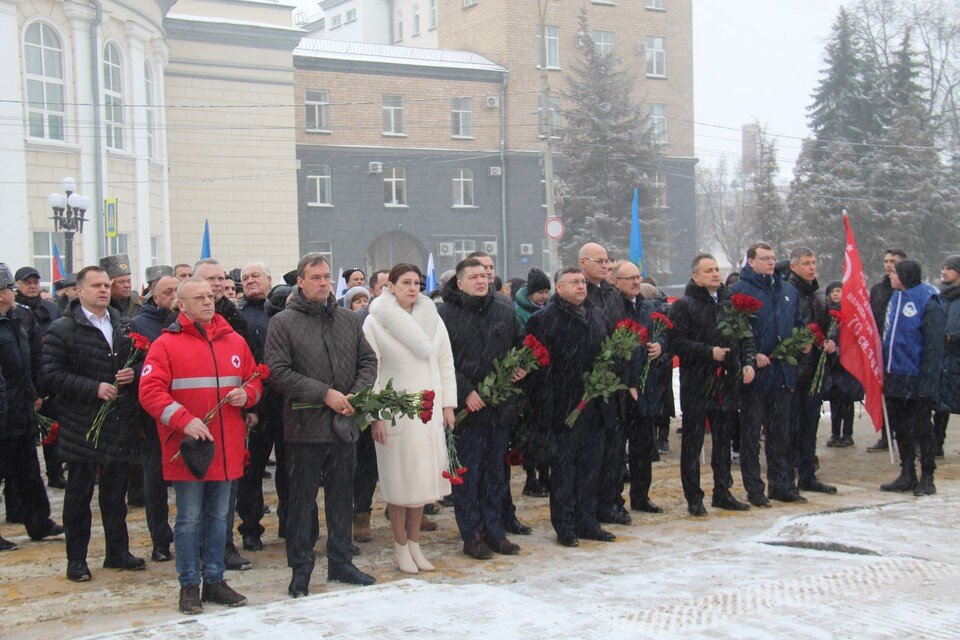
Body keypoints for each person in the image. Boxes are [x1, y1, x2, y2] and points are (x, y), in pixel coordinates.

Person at [139, 277, 262, 614]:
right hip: (190, 449)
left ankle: (215, 580)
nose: (208, 302)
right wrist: (183, 420)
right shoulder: (165, 345)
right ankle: (189, 584)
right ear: (181, 305)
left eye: (210, 296)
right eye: (199, 298)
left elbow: (254, 380)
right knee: (190, 519)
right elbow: (150, 392)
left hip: (226, 447)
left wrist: (247, 395)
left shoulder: (234, 340)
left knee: (219, 518)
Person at [266, 253, 378, 596]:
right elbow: (278, 372)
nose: (323, 282)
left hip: (344, 425)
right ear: (300, 282)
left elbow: (368, 360)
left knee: (342, 497)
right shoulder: (283, 322)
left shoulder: (346, 319)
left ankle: (341, 562)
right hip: (304, 427)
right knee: (301, 502)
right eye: (315, 277)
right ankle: (300, 568)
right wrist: (324, 394)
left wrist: (356, 394)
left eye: (327, 276)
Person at [41, 265, 145, 582]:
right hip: (81, 424)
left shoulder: (123, 324)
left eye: (106, 285)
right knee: (79, 497)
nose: (103, 290)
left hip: (117, 422)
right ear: (79, 290)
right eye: (96, 285)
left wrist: (133, 373)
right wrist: (93, 388)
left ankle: (117, 552)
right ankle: (77, 560)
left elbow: (143, 362)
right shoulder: (63, 329)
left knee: (115, 496)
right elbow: (51, 375)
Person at [364, 263, 457, 574]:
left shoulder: (432, 317)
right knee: (399, 482)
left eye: (417, 282)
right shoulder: (375, 321)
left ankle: (415, 544)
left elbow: (445, 362)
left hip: (428, 411)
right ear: (390, 286)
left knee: (423, 482)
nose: (412, 288)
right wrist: (376, 415)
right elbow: (372, 371)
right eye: (405, 282)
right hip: (396, 412)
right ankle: (400, 545)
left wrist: (447, 405)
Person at [439, 258, 526, 559]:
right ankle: (472, 535)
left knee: (495, 475)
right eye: (473, 277)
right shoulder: (444, 314)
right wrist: (465, 391)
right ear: (459, 282)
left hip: (498, 407)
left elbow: (519, 344)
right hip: (467, 410)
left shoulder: (504, 309)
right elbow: (441, 361)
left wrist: (521, 365)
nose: (481, 281)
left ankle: (495, 532)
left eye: (484, 276)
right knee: (469, 476)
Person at [526, 266, 614, 547]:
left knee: (591, 468)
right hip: (562, 406)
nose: (581, 286)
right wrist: (547, 406)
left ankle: (588, 521)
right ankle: (565, 525)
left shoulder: (597, 314)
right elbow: (538, 369)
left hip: (594, 404)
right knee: (564, 471)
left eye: (582, 282)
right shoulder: (543, 319)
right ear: (559, 288)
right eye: (574, 282)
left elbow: (609, 351)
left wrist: (604, 378)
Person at [670, 254, 756, 515]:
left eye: (716, 269)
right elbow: (677, 342)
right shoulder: (684, 305)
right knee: (693, 443)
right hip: (697, 383)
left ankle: (723, 491)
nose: (715, 274)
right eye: (708, 270)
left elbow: (745, 336)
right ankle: (694, 497)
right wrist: (709, 352)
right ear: (695, 276)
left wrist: (748, 361)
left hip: (726, 382)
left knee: (723, 441)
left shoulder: (730, 304)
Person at [731, 242, 807, 505]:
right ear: (751, 262)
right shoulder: (738, 291)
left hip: (782, 372)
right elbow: (734, 332)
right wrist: (751, 355)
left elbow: (797, 324)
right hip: (755, 375)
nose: (771, 262)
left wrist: (802, 341)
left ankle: (781, 484)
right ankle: (755, 489)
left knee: (780, 435)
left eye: (773, 258)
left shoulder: (787, 290)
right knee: (751, 436)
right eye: (764, 258)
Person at [0, 264, 64, 551]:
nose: (12, 294)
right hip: (4, 411)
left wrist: (35, 394)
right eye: (9, 289)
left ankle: (39, 522)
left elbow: (32, 361)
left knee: (28, 470)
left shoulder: (16, 319)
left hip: (21, 409)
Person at [193, 258, 250, 570]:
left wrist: (250, 402)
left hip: (230, 418)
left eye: (220, 278)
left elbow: (250, 367)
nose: (216, 285)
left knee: (227, 491)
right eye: (209, 279)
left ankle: (224, 545)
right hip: (193, 422)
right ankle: (198, 550)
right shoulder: (178, 321)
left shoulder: (234, 317)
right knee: (195, 495)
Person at [880, 259, 944, 496]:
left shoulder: (928, 300)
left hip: (916, 376)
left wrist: (928, 383)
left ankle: (928, 476)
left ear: (906, 276)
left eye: (895, 273)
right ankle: (907, 472)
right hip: (895, 375)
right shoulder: (895, 297)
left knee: (921, 428)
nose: (891, 276)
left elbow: (934, 347)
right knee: (901, 427)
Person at [579, 243, 629, 526]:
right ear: (582, 263)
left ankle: (611, 501)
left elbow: (622, 331)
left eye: (606, 260)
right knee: (592, 452)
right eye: (598, 260)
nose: (604, 265)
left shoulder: (612, 294)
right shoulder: (578, 291)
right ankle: (590, 505)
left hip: (614, 380)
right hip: (588, 382)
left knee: (614, 448)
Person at [611, 261, 668, 514]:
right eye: (630, 278)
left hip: (646, 387)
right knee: (616, 450)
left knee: (643, 447)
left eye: (638, 277)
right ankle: (615, 500)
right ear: (616, 282)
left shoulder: (648, 307)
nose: (636, 282)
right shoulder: (612, 308)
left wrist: (660, 346)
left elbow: (663, 335)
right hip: (620, 388)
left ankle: (641, 495)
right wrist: (627, 379)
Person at [236, 262, 284, 553]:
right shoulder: (239, 316)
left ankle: (290, 524)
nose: (250, 280)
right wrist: (248, 407)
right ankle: (250, 528)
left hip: (286, 403)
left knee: (289, 471)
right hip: (256, 408)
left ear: (269, 279)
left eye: (255, 276)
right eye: (245, 278)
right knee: (251, 473)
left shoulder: (282, 311)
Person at [131, 267, 178, 562]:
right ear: (153, 296)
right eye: (167, 292)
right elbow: (134, 369)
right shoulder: (138, 324)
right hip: (152, 415)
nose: (173, 297)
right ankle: (160, 539)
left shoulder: (187, 321)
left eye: (177, 291)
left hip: (185, 412)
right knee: (155, 482)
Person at [786, 248, 837, 494]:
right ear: (794, 266)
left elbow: (825, 328)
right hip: (793, 370)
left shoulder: (819, 295)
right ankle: (787, 477)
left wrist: (829, 342)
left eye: (814, 262)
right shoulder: (787, 293)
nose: (811, 267)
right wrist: (796, 343)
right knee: (791, 426)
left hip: (815, 370)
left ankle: (808, 474)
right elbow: (781, 328)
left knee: (810, 425)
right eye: (806, 263)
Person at [12, 266, 66, 488]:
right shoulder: (14, 309)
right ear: (17, 286)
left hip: (50, 375)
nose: (33, 286)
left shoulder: (51, 308)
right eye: (28, 283)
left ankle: (55, 473)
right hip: (25, 380)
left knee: (53, 429)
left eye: (36, 282)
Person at [514, 267, 552, 497]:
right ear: (530, 292)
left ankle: (545, 474)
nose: (543, 297)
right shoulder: (519, 312)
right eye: (540, 292)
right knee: (529, 432)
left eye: (547, 292)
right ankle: (531, 477)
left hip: (547, 378)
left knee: (546, 430)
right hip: (528, 382)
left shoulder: (548, 310)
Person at [868, 248, 907, 452]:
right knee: (885, 394)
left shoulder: (908, 290)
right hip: (880, 349)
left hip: (902, 351)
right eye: (886, 261)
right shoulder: (878, 289)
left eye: (893, 261)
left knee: (905, 398)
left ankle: (908, 437)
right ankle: (886, 435)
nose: (889, 265)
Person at [824, 281, 863, 448]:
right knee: (835, 401)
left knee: (847, 401)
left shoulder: (851, 313)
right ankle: (835, 433)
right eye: (832, 291)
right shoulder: (826, 313)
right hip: (832, 365)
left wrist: (842, 351)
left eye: (838, 290)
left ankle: (847, 434)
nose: (835, 294)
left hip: (847, 365)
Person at [933, 255, 960, 458]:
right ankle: (936, 443)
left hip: (957, 356)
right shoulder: (939, 297)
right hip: (941, 358)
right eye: (942, 268)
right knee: (940, 405)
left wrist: (954, 336)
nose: (944, 272)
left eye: (948, 268)